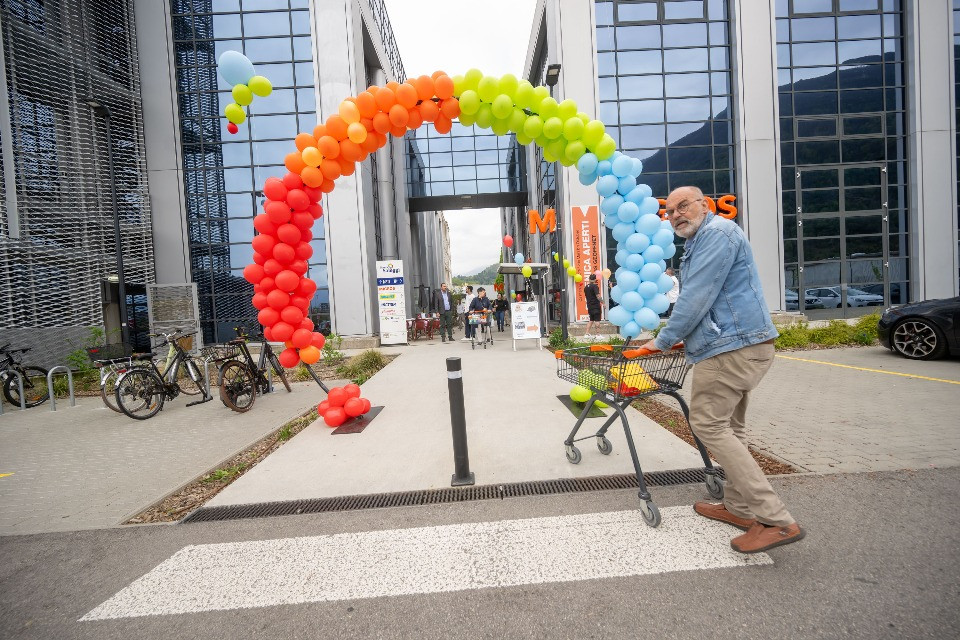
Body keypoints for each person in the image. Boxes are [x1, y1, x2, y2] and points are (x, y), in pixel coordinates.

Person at [637, 186, 803, 554]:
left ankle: (775, 520)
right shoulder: (703, 240)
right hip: (737, 345)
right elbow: (711, 299)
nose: (677, 214)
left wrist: (662, 341)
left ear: (704, 205)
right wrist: (684, 339)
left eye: (684, 205)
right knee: (732, 428)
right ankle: (740, 508)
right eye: (670, 210)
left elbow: (696, 296)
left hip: (729, 350)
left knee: (709, 425)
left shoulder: (717, 234)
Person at [583, 274, 603, 340]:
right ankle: (598, 335)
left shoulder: (586, 287)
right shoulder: (595, 286)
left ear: (589, 279)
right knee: (597, 320)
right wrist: (603, 302)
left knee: (591, 320)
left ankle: (587, 333)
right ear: (595, 279)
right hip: (595, 305)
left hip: (589, 306)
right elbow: (598, 296)